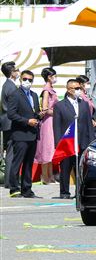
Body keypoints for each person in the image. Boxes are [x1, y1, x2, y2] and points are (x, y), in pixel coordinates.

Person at [52, 79, 93, 199]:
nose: (78, 90)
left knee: (80, 169)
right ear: (69, 90)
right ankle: (64, 192)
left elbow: (88, 125)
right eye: (76, 88)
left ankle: (80, 192)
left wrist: (90, 142)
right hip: (67, 142)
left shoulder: (84, 104)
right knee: (65, 169)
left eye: (79, 88)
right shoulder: (59, 106)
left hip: (82, 142)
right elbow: (57, 126)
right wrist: (58, 143)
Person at [5, 69, 41, 197]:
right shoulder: (15, 94)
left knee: (28, 163)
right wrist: (26, 121)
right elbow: (11, 114)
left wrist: (39, 115)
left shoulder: (34, 95)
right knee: (17, 162)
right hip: (20, 133)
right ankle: (14, 188)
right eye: (25, 79)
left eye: (30, 80)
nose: (27, 82)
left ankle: (27, 189)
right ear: (20, 79)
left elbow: (34, 112)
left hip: (32, 133)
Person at [35, 67, 58, 185]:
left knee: (51, 149)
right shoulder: (46, 90)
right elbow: (44, 108)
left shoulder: (51, 89)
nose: (55, 78)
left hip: (52, 121)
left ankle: (51, 175)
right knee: (46, 148)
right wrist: (57, 112)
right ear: (49, 77)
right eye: (54, 75)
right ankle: (45, 176)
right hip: (48, 121)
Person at [1, 61, 19, 189]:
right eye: (16, 70)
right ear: (12, 72)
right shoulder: (11, 87)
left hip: (7, 122)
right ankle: (10, 181)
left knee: (11, 152)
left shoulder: (8, 85)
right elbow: (13, 107)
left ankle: (10, 180)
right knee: (12, 152)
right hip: (11, 122)